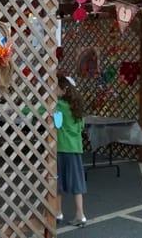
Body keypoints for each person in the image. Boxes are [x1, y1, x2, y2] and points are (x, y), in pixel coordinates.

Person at [55, 75, 87, 227]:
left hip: (61, 148)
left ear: (64, 89)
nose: (53, 90)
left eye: (56, 87)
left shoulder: (58, 105)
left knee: (57, 181)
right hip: (75, 149)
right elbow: (81, 127)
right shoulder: (77, 106)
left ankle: (58, 212)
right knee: (76, 182)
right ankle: (80, 214)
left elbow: (57, 124)